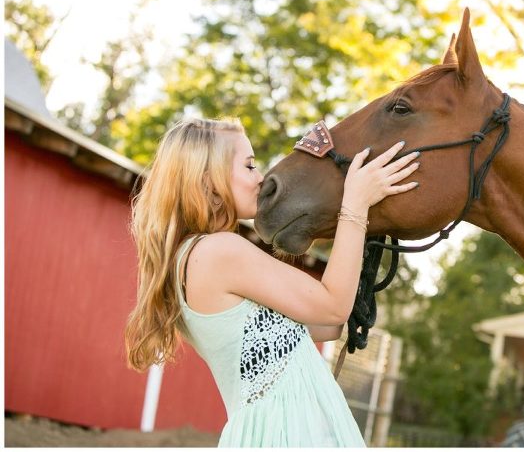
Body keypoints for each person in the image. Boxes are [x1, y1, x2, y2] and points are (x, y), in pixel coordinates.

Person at [124, 118, 420, 447]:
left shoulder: (196, 257)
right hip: (285, 432)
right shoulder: (218, 252)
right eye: (249, 166)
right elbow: (333, 307)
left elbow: (324, 327)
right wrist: (355, 205)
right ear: (208, 181)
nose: (260, 177)